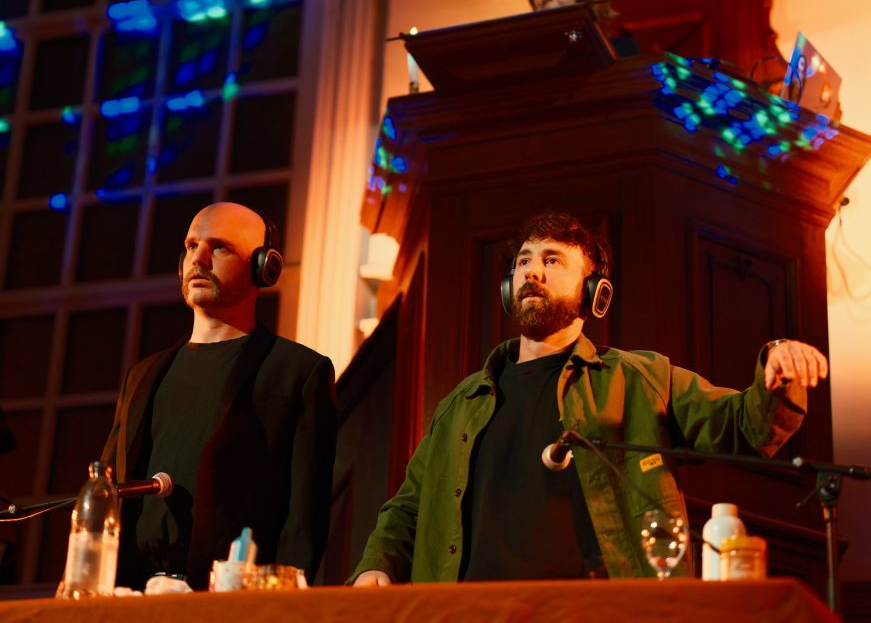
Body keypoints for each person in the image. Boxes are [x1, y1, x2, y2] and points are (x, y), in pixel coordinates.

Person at [351, 210, 826, 585]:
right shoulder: (460, 404)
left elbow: (743, 427)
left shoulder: (640, 380)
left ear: (595, 292)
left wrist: (779, 372)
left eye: (552, 260)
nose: (532, 271)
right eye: (524, 261)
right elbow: (409, 507)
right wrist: (377, 565)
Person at [102, 202, 336, 590]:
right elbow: (106, 493)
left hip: (229, 602)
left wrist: (279, 607)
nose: (199, 259)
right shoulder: (142, 376)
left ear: (263, 266)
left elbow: (303, 522)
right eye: (191, 246)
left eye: (220, 247)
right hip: (130, 596)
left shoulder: (299, 372)